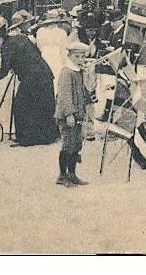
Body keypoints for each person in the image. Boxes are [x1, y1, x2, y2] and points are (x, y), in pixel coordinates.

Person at [0, 10, 59, 147]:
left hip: (33, 78)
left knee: (21, 105)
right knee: (40, 106)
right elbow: (35, 53)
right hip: (43, 74)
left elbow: (3, 71)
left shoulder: (7, 46)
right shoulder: (19, 38)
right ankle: (43, 136)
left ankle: (27, 138)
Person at [54, 41, 94, 187]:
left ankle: (72, 174)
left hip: (78, 114)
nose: (80, 59)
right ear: (69, 56)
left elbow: (84, 91)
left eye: (82, 56)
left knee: (77, 144)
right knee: (68, 144)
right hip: (67, 116)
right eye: (76, 56)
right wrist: (69, 114)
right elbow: (65, 96)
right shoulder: (66, 72)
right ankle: (62, 175)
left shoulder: (79, 72)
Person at [35, 9, 71, 90]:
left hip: (44, 57)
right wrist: (65, 63)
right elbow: (64, 49)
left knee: (45, 79)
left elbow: (39, 46)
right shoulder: (62, 32)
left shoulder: (40, 31)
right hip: (57, 58)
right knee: (57, 78)